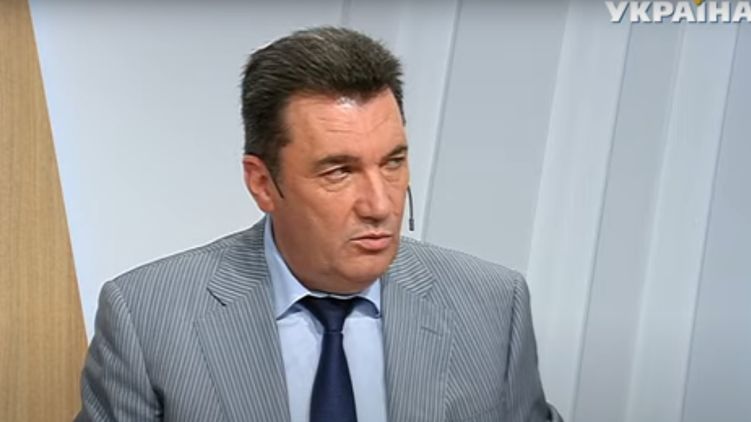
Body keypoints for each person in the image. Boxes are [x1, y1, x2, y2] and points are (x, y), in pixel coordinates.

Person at [76, 26, 561, 422]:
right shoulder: (148, 319)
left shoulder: (493, 306)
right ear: (262, 183)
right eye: (339, 172)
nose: (380, 205)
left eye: (393, 162)